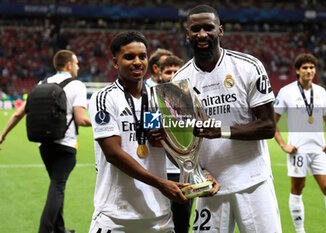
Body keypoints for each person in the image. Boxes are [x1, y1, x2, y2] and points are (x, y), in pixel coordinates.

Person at [171, 5, 282, 232]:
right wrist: (198, 175)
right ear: (187, 34)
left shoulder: (248, 67)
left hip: (253, 182)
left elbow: (269, 126)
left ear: (220, 31)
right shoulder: (178, 82)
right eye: (195, 29)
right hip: (210, 187)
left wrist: (220, 131)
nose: (202, 34)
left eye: (208, 28)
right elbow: (178, 144)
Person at [88, 31, 207, 233]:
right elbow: (113, 154)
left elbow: (178, 149)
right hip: (116, 215)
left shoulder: (161, 99)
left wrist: (200, 173)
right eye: (129, 57)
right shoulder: (104, 98)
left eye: (142, 57)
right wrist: (161, 184)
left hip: (158, 215)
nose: (137, 62)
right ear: (115, 63)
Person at [0, 49, 91, 233]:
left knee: (56, 186)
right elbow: (81, 119)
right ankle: (45, 230)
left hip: (44, 144)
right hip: (65, 144)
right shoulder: (77, 85)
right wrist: (102, 123)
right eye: (76, 63)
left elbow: (19, 113)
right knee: (57, 186)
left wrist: (3, 134)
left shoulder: (42, 83)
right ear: (68, 65)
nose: (78, 66)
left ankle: (59, 229)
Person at [274, 53, 326, 233]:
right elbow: (272, 122)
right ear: (297, 70)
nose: (309, 71)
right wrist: (284, 145)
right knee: (297, 189)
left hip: (319, 150)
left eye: (312, 67)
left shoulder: (320, 91)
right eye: (305, 68)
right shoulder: (287, 92)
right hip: (297, 151)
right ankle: (300, 231)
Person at [159, 55, 191, 233]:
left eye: (175, 72)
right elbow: (151, 136)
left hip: (184, 173)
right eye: (168, 72)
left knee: (182, 222)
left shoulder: (190, 102)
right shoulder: (152, 102)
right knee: (158, 222)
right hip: (160, 173)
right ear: (160, 73)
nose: (171, 76)